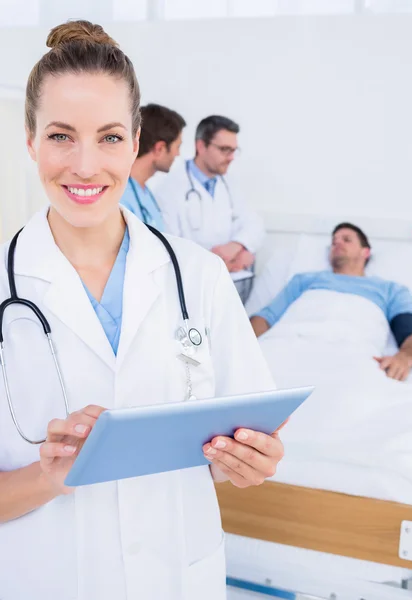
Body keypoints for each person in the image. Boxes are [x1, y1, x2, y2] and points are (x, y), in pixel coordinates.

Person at [0, 21, 284, 600]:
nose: (84, 165)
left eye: (107, 137)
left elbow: (241, 444)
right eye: (60, 136)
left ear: (134, 142)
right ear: (29, 141)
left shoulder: (199, 277)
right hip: (45, 579)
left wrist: (249, 460)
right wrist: (46, 478)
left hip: (177, 578)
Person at [251, 223, 412, 381]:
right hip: (283, 347)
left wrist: (405, 358)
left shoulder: (390, 290)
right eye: (334, 241)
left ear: (365, 252)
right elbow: (265, 319)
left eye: (346, 239)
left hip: (351, 355)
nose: (337, 243)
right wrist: (243, 344)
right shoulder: (304, 281)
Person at [154, 115, 265, 302]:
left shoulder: (230, 184)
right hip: (191, 289)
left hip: (227, 286)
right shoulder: (170, 187)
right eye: (224, 150)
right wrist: (217, 262)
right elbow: (171, 245)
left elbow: (255, 225)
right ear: (201, 146)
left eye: (234, 150)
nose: (230, 158)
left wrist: (238, 246)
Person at [120, 103, 185, 230]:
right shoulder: (120, 194)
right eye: (177, 147)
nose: (178, 154)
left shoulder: (144, 192)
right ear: (159, 149)